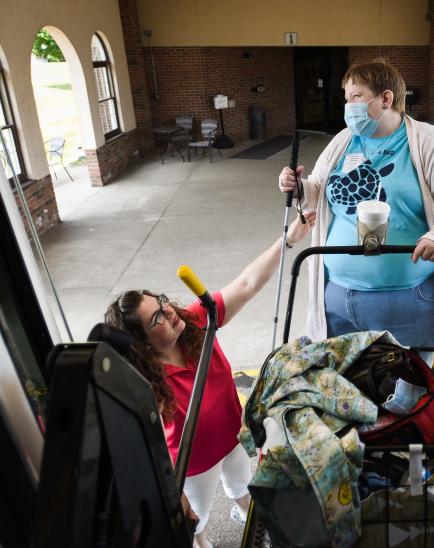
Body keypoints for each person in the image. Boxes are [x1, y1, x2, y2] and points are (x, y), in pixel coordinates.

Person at [104, 213, 315, 548]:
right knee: (196, 517)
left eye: (161, 301)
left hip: (233, 437)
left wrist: (287, 240)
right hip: (194, 465)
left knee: (242, 483)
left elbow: (247, 284)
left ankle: (243, 510)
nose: (168, 310)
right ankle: (203, 541)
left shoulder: (198, 320)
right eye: (156, 317)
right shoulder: (145, 381)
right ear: (141, 344)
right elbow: (148, 441)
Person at [278, 59, 434, 369]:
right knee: (345, 389)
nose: (348, 106)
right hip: (338, 297)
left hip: (406, 302)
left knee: (406, 390)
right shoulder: (343, 141)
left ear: (386, 99)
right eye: (346, 98)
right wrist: (299, 187)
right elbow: (317, 190)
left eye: (356, 97)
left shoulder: (426, 141)